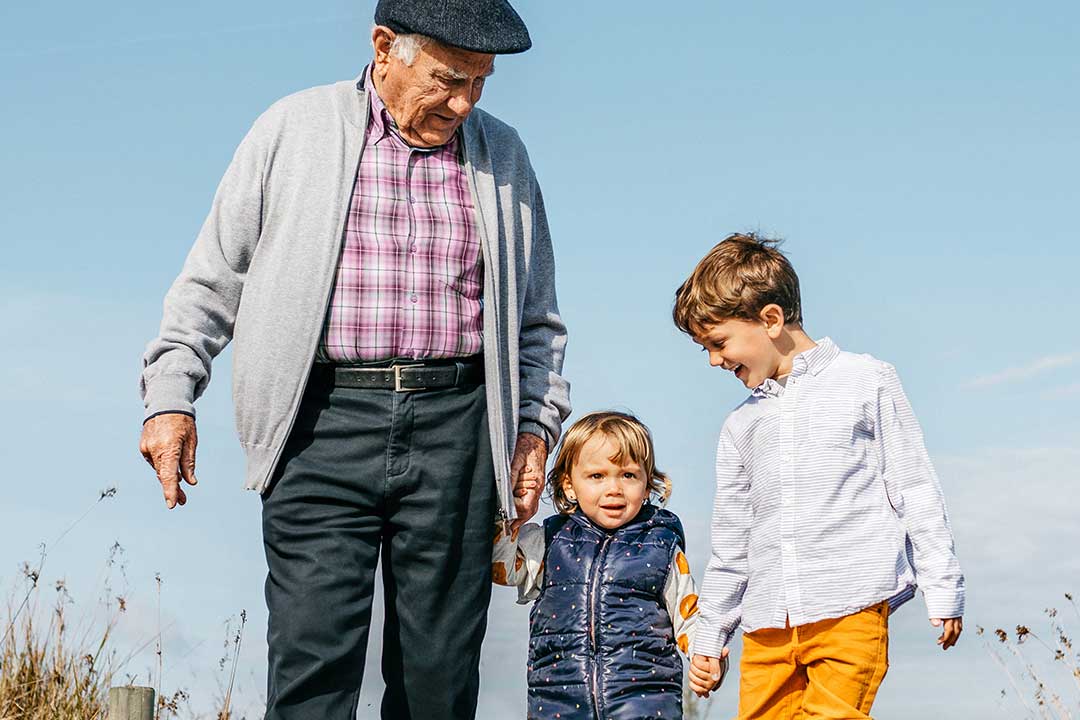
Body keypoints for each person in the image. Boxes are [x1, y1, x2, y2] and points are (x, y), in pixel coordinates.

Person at [137, 1, 571, 717]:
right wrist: (171, 393)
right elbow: (215, 276)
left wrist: (533, 431)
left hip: (456, 430)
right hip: (319, 427)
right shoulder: (293, 130)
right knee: (314, 664)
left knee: (440, 679)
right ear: (383, 48)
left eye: (481, 82)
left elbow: (537, 320)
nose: (464, 102)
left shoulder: (505, 158)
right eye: (448, 78)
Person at [672, 234, 965, 718]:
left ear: (770, 319)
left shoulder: (865, 380)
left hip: (849, 611)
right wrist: (711, 633)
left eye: (718, 343)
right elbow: (731, 543)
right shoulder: (739, 426)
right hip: (766, 628)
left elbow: (914, 487)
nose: (714, 360)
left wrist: (942, 581)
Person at [492, 411, 711, 719]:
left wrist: (706, 654)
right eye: (597, 476)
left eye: (629, 475)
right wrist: (509, 515)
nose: (614, 489)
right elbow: (500, 566)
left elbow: (689, 615)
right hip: (558, 704)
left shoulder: (661, 548)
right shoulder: (549, 543)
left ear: (648, 486)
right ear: (569, 485)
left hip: (645, 705)